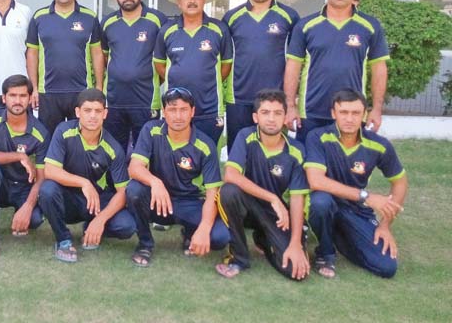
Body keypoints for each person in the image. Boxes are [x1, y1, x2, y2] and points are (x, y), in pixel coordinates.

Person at [304, 89, 408, 279]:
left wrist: (385, 225)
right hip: (326, 201)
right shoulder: (317, 137)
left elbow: (400, 181)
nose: (349, 119)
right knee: (320, 203)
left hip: (355, 210)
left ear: (364, 114)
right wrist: (367, 196)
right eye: (344, 113)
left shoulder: (379, 144)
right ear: (333, 113)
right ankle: (325, 253)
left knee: (387, 267)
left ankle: (339, 236)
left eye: (355, 113)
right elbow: (315, 180)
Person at [125, 87, 229, 267]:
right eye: (172, 110)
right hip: (158, 201)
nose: (178, 116)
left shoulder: (205, 145)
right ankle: (145, 244)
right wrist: (155, 182)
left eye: (183, 110)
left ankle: (191, 232)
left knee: (220, 238)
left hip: (190, 202)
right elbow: (134, 167)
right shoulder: (151, 130)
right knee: (134, 190)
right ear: (164, 112)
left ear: (192, 112)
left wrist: (204, 228)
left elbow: (213, 192)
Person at [285, 0, 389, 143]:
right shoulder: (306, 25)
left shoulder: (370, 26)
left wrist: (376, 109)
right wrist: (290, 106)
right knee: (309, 167)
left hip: (352, 113)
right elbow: (292, 67)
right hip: (311, 112)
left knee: (347, 168)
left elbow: (379, 69)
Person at [215, 89, 310, 280]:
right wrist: (271, 197)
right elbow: (230, 174)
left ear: (285, 117)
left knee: (296, 272)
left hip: (278, 215)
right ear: (255, 117)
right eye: (265, 113)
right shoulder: (245, 136)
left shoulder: (297, 150)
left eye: (277, 113)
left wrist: (295, 244)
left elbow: (298, 198)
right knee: (228, 192)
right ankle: (238, 257)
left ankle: (264, 239)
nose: (271, 119)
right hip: (249, 207)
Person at [38, 89, 135, 263]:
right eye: (87, 110)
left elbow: (122, 192)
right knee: (47, 190)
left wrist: (100, 220)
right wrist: (84, 183)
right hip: (68, 200)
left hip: (97, 202)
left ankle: (90, 228)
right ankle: (63, 240)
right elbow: (50, 170)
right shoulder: (64, 131)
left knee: (127, 227)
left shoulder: (113, 148)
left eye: (98, 111)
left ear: (105, 113)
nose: (92, 116)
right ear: (77, 112)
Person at [222, 0, 300, 151]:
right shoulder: (231, 18)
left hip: (275, 99)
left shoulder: (289, 17)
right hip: (238, 98)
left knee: (274, 156)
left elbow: (296, 62)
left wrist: (291, 103)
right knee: (239, 153)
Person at [0, 74, 49, 260]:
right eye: (13, 95)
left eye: (23, 96)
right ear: (3, 98)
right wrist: (18, 155)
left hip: (23, 187)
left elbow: (42, 177)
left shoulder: (40, 132)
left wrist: (28, 206)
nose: (17, 101)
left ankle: (20, 211)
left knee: (33, 220)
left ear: (30, 98)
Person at [153, 0, 233, 144]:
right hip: (176, 108)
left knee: (209, 156)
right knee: (175, 159)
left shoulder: (219, 29)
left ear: (204, 0)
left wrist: (206, 79)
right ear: (179, 2)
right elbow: (160, 65)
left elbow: (226, 66)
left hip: (209, 108)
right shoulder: (167, 31)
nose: (191, 1)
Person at [26, 0, 104, 134]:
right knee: (50, 140)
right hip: (48, 92)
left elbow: (97, 53)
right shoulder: (39, 17)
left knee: (81, 139)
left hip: (82, 91)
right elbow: (32, 54)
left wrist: (99, 86)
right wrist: (33, 88)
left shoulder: (89, 17)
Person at [100, 0, 168, 153]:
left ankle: (145, 183)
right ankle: (115, 183)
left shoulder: (158, 20)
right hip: (114, 101)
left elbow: (165, 59)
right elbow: (104, 57)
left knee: (147, 152)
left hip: (146, 100)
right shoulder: (107, 23)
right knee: (114, 152)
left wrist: (148, 78)